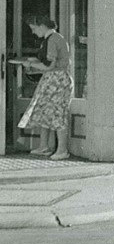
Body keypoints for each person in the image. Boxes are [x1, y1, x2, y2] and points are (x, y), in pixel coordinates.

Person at [19, 16, 73, 160]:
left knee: (57, 113)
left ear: (42, 26)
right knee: (45, 111)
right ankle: (44, 146)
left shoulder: (53, 39)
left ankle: (62, 150)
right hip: (52, 79)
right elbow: (48, 64)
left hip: (57, 81)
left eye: (33, 28)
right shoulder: (51, 39)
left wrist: (30, 65)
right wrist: (32, 62)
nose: (33, 32)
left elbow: (49, 65)